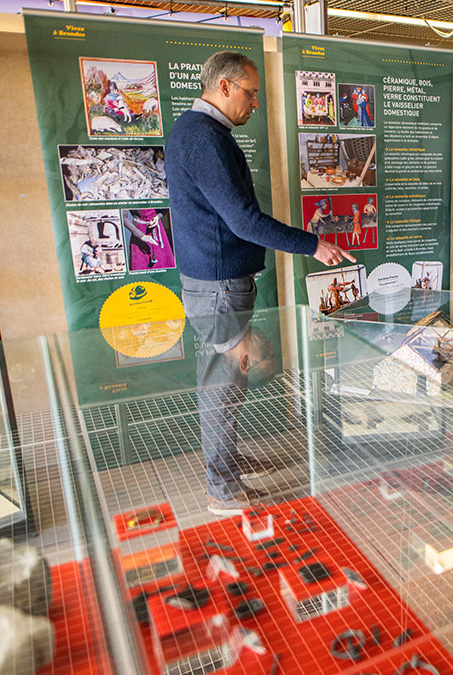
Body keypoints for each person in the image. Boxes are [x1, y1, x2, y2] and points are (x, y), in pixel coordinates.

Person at [166, 51, 354, 515]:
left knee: (224, 378)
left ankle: (224, 465)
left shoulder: (193, 131)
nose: (255, 105)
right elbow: (244, 221)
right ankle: (222, 489)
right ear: (224, 87)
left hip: (213, 279)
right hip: (219, 283)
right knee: (222, 381)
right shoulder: (206, 140)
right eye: (250, 94)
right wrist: (313, 245)